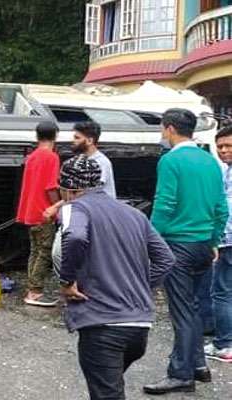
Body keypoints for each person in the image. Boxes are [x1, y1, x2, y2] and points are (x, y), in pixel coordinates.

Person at [57, 154, 174, 400]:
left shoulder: (74, 207)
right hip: (139, 327)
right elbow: (166, 259)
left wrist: (67, 282)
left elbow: (76, 237)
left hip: (103, 325)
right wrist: (141, 287)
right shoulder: (133, 214)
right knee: (108, 388)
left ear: (66, 188)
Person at [144, 108, 228, 395]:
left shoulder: (170, 161)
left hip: (177, 245)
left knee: (182, 312)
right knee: (193, 308)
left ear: (169, 129)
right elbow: (221, 207)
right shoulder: (211, 161)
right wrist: (214, 240)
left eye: (161, 129)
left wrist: (149, 241)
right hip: (205, 244)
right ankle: (198, 365)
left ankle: (180, 373)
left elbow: (164, 203)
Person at [16, 121, 61, 307]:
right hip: (44, 212)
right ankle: (35, 292)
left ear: (37, 136)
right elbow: (51, 186)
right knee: (44, 253)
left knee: (35, 252)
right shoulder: (51, 157)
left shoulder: (32, 157)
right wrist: (57, 205)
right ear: (56, 136)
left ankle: (32, 287)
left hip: (29, 211)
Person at [205, 125, 232, 363]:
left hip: (228, 242)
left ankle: (224, 345)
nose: (223, 150)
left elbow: (227, 212)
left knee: (222, 292)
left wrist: (216, 240)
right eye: (220, 146)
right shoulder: (225, 170)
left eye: (228, 146)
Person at [72, 121, 116, 199]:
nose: (73, 141)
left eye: (77, 138)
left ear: (90, 141)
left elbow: (88, 191)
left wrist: (57, 206)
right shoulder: (80, 161)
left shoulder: (101, 162)